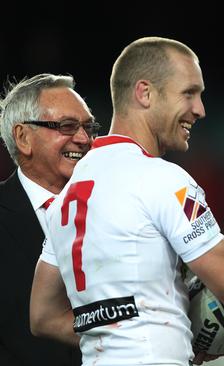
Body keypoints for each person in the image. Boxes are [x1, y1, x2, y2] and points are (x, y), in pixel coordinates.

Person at [29, 37, 224, 366]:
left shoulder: (67, 194)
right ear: (145, 93)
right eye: (189, 93)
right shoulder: (162, 179)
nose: (200, 109)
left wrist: (125, 333)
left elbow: (43, 316)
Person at [0, 73, 98, 365]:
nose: (84, 139)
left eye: (88, 127)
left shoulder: (115, 209)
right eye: (67, 126)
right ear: (23, 138)